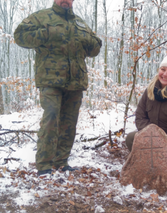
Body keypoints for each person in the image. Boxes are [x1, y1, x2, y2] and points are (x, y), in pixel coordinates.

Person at [14, 0, 102, 176]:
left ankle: (61, 161)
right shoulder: (41, 17)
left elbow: (95, 48)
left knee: (69, 122)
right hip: (50, 80)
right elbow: (19, 36)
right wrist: (47, 33)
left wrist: (86, 39)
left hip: (75, 81)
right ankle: (44, 164)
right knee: (51, 117)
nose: (65, 0)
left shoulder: (80, 22)